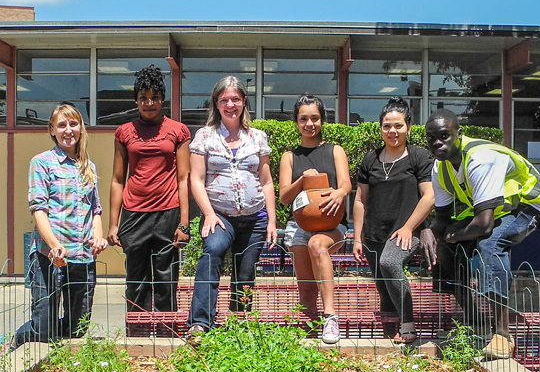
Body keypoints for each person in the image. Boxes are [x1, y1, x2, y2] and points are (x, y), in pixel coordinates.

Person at [423, 108, 540, 359]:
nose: (437, 142)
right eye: (431, 138)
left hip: (527, 205)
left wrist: (453, 235)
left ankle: (502, 336)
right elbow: (442, 220)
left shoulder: (480, 159)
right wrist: (429, 233)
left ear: (458, 134)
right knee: (444, 245)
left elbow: (484, 226)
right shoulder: (439, 168)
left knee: (491, 244)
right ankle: (476, 323)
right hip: (495, 210)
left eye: (444, 135)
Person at [186, 76, 278, 339]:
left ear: (244, 101)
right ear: (216, 103)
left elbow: (267, 180)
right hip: (220, 216)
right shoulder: (205, 136)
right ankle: (200, 322)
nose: (230, 105)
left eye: (235, 99)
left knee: (245, 271)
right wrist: (208, 214)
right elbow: (196, 179)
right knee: (212, 251)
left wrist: (272, 221)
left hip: (254, 217)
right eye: (224, 100)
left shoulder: (257, 137)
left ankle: (239, 324)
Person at [11, 103, 109, 349]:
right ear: (52, 129)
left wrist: (98, 237)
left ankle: (62, 359)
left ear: (81, 128)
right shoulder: (42, 162)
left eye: (73, 124)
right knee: (45, 326)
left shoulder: (88, 166)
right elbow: (38, 210)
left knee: (78, 328)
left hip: (83, 258)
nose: (68, 130)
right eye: (62, 125)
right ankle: (22, 336)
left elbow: (95, 209)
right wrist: (55, 245)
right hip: (49, 256)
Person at [108, 65, 191, 313]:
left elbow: (184, 178)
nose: (149, 103)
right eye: (143, 98)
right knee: (136, 281)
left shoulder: (178, 131)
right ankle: (137, 337)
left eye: (154, 97)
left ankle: (167, 338)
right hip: (134, 216)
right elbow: (117, 180)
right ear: (136, 100)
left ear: (162, 99)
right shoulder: (124, 133)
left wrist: (184, 224)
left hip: (167, 214)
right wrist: (113, 224)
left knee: (167, 281)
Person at [352, 97, 435, 344]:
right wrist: (357, 237)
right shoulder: (370, 159)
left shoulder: (419, 157)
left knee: (390, 263)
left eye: (398, 125)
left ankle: (408, 325)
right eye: (387, 126)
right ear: (381, 129)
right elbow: (359, 200)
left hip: (408, 231)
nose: (393, 131)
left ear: (408, 127)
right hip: (374, 234)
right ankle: (391, 343)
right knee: (385, 290)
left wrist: (409, 227)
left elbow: (429, 196)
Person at [278, 94, 352, 344]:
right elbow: (284, 197)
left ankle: (330, 316)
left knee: (317, 245)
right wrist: (302, 181)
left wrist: (338, 193)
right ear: (296, 122)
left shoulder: (335, 150)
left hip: (333, 224)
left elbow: (345, 185)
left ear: (322, 120)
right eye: (303, 119)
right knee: (306, 286)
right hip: (300, 226)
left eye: (315, 118)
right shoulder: (290, 156)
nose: (309, 124)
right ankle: (308, 331)